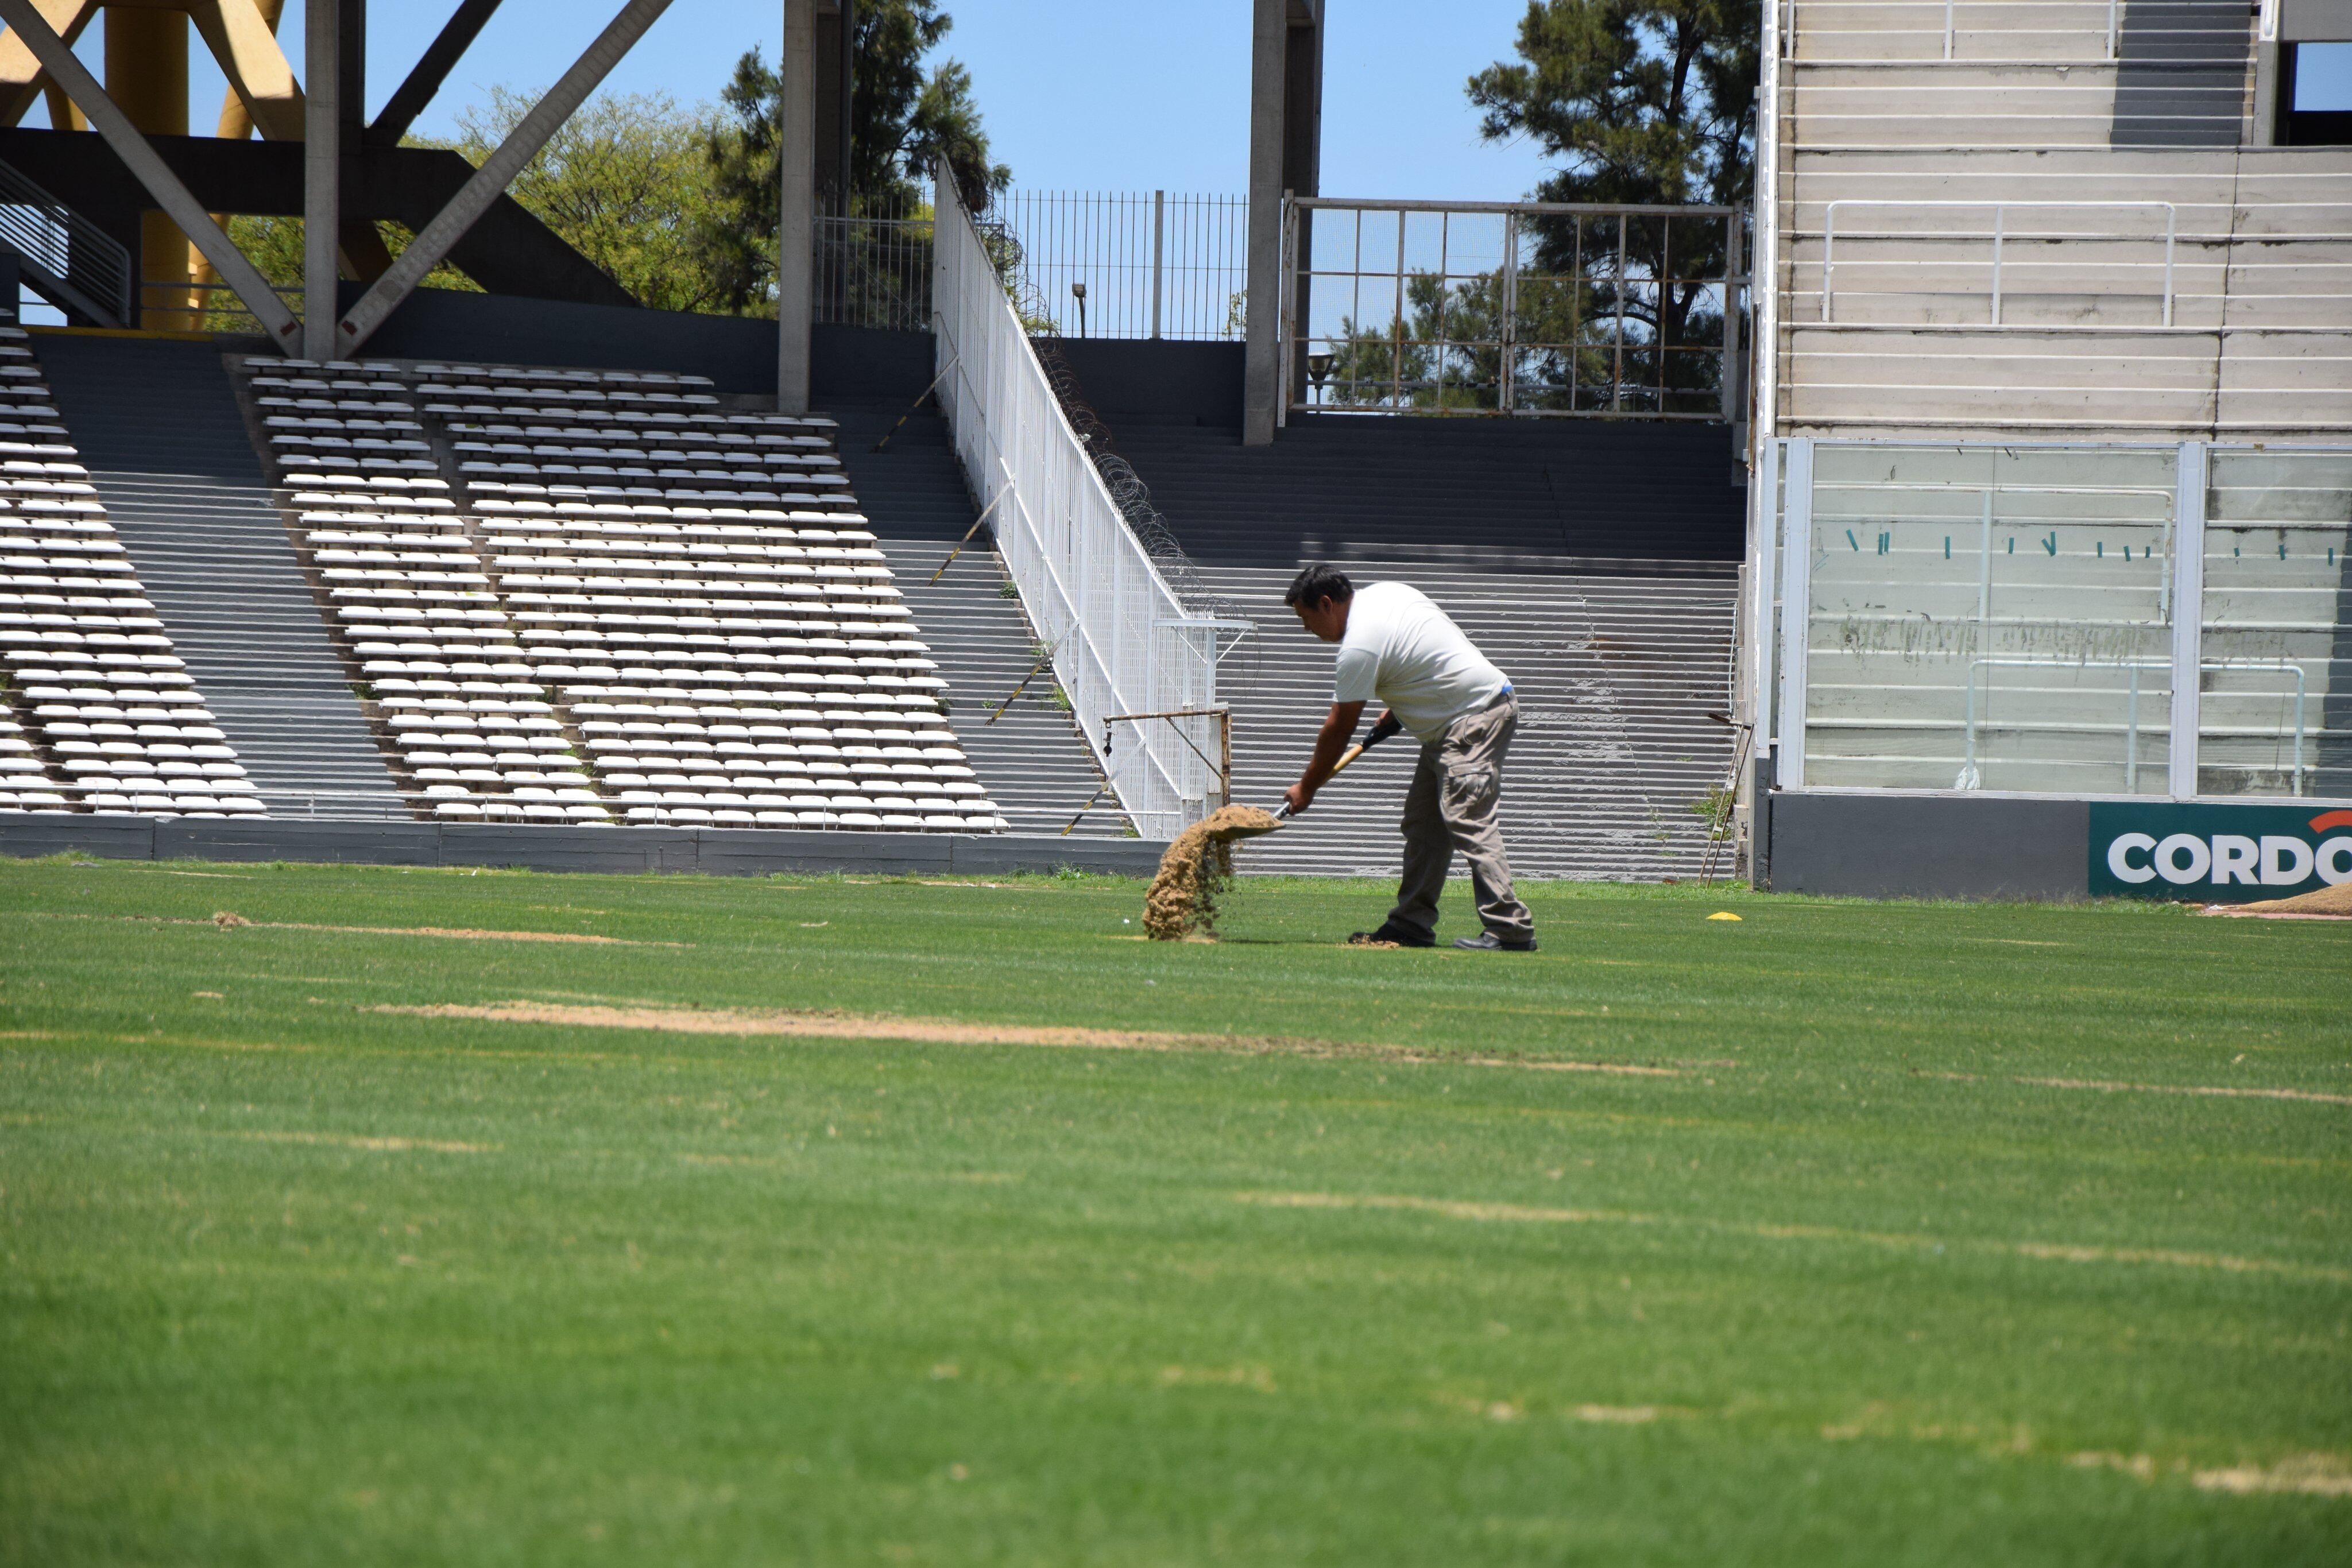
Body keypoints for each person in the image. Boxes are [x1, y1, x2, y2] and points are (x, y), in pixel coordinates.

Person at [1281, 564, 1535, 951]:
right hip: (1454, 721)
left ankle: (1510, 929)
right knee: (1424, 825)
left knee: (1469, 819)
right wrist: (1400, 710)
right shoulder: (1387, 593)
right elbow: (1431, 649)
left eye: (1305, 618)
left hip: (1473, 717)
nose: (1305, 628)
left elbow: (1339, 728)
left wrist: (1307, 787)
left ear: (1327, 604)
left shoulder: (1357, 646)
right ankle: (1411, 925)